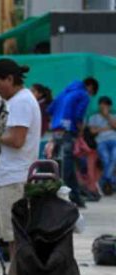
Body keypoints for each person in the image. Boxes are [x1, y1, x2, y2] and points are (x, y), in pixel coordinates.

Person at [0, 58, 42, 261]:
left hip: (14, 178)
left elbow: (17, 140)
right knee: (10, 238)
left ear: (9, 79)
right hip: (6, 177)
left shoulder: (21, 102)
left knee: (16, 237)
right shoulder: (16, 101)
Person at [48, 76, 99, 207]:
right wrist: (81, 130)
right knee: (67, 166)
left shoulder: (64, 92)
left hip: (56, 130)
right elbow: (78, 115)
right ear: (90, 87)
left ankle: (75, 196)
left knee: (60, 163)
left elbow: (50, 109)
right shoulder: (83, 94)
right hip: (68, 131)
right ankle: (66, 195)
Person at [88, 96, 116, 196]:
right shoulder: (93, 117)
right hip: (101, 142)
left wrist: (107, 116)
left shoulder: (113, 116)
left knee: (114, 158)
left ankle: (103, 181)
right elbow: (92, 131)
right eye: (102, 104)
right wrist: (106, 128)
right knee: (106, 159)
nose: (104, 106)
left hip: (114, 140)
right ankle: (111, 182)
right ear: (99, 105)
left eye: (106, 105)